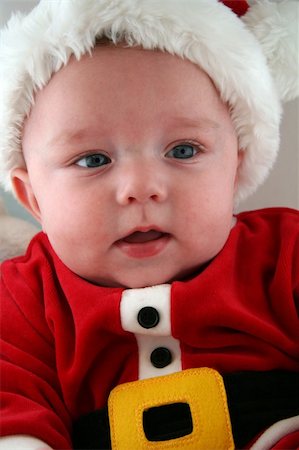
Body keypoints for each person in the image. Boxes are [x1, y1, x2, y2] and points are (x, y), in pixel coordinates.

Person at [0, 0, 298, 449]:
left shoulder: (285, 255)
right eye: (93, 160)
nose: (141, 188)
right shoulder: (22, 300)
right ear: (33, 198)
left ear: (236, 168)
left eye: (183, 150)